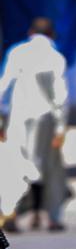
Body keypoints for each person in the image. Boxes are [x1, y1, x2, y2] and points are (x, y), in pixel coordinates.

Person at [0, 17, 70, 231]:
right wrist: (60, 128)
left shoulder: (17, 52)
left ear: (30, 32)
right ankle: (51, 216)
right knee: (49, 166)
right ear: (51, 35)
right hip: (45, 118)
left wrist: (2, 120)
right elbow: (61, 95)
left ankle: (9, 212)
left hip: (19, 116)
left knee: (14, 163)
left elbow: (4, 86)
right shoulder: (55, 57)